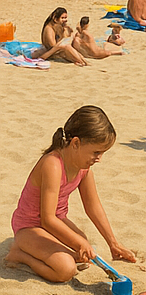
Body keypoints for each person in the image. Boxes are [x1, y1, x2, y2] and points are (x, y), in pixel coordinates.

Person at [6, 106, 136, 282]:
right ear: (75, 143)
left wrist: (113, 243)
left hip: (55, 223)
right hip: (29, 227)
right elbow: (48, 219)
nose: (99, 159)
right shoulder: (52, 164)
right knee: (65, 269)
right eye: (96, 152)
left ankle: (44, 250)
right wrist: (79, 243)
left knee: (84, 251)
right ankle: (19, 254)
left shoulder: (84, 168)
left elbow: (93, 206)